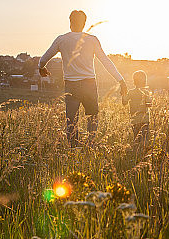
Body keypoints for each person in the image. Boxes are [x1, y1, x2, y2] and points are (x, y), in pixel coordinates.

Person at [38, 10, 127, 147]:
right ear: (84, 23)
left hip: (71, 85)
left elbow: (45, 58)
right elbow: (105, 61)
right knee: (92, 117)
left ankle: (74, 149)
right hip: (89, 84)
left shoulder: (61, 39)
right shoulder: (92, 40)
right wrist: (120, 80)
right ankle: (91, 145)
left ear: (70, 22)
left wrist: (41, 67)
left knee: (71, 121)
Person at [122, 70, 152, 150]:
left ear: (134, 81)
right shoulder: (146, 92)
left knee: (136, 138)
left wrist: (123, 93)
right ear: (145, 81)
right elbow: (149, 105)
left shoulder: (131, 92)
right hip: (145, 119)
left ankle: (136, 153)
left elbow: (124, 102)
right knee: (145, 139)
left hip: (134, 120)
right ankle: (143, 153)